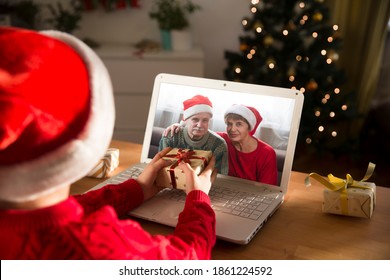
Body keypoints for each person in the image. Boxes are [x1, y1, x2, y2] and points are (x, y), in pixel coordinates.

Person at [0, 27, 217, 260]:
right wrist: (198, 199)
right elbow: (188, 260)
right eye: (196, 119)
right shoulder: (93, 247)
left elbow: (69, 207)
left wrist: (136, 189)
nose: (200, 125)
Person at [164, 104, 278, 185]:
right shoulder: (220, 140)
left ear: (249, 127)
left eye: (239, 124)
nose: (232, 129)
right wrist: (180, 126)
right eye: (229, 124)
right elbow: (198, 132)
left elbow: (267, 189)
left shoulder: (267, 153)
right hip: (220, 189)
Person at [159, 94, 229, 175]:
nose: (200, 125)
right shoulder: (170, 137)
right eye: (195, 119)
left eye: (205, 120)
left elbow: (220, 176)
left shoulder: (219, 145)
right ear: (185, 120)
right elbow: (159, 168)